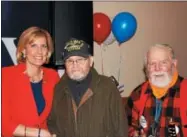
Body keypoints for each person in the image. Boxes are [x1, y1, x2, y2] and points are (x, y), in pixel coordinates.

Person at [47, 38, 128, 137]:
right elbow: (52, 123)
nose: (75, 65)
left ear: (91, 61)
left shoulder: (107, 87)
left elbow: (120, 128)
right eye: (69, 61)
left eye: (80, 59)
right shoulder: (59, 89)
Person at [2, 26, 60, 137]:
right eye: (33, 46)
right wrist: (37, 133)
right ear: (24, 50)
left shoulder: (53, 76)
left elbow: (57, 115)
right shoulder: (6, 75)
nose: (39, 51)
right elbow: (3, 123)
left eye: (43, 46)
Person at [126, 44, 187, 137]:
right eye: (152, 64)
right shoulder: (137, 94)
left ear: (174, 64)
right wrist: (134, 134)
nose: (157, 68)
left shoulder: (185, 90)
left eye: (163, 62)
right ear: (147, 69)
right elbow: (126, 125)